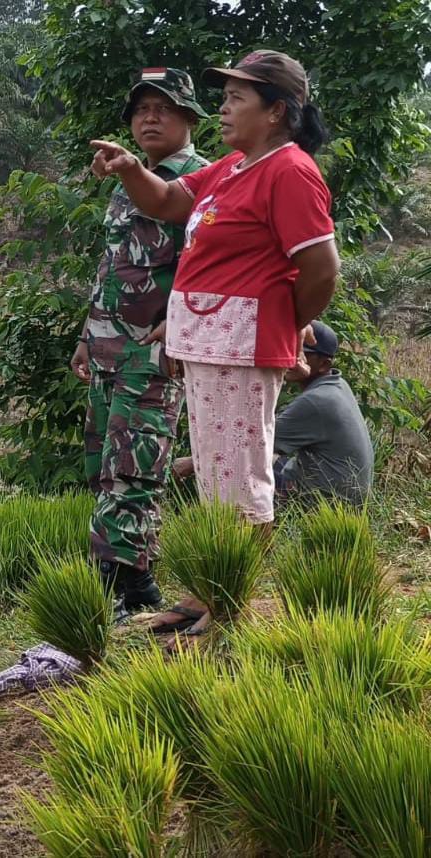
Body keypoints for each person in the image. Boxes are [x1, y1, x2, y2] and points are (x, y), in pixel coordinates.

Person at [89, 50, 341, 639]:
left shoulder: (289, 170)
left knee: (241, 477)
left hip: (240, 344)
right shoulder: (233, 167)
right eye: (224, 96)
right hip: (207, 344)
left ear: (277, 111)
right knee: (216, 475)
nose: (223, 108)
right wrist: (129, 167)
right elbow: (170, 202)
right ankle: (209, 591)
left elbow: (321, 269)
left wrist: (278, 322)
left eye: (236, 97)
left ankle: (233, 602)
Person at [71, 68, 210, 619]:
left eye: (164, 108)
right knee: (108, 468)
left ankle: (112, 592)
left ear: (191, 119)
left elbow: (205, 265)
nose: (150, 118)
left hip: (154, 352)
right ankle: (136, 588)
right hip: (108, 349)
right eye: (141, 110)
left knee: (134, 468)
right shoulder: (128, 185)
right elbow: (112, 267)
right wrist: (88, 334)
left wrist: (181, 324)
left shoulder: (202, 181)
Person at [177, 320, 374, 506]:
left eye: (301, 352)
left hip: (328, 501)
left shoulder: (316, 402)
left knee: (244, 471)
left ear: (324, 364)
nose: (289, 355)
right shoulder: (337, 385)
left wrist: (191, 463)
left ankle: (227, 529)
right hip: (345, 496)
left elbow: (250, 446)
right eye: (288, 347)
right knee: (269, 461)